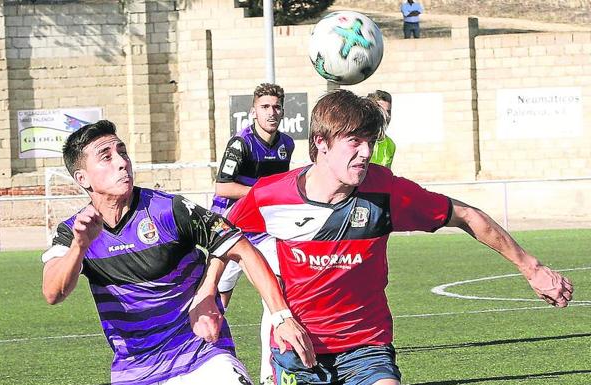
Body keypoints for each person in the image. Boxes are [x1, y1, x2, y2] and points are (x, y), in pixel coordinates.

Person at [225, 90, 573, 385]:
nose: (366, 152)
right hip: (297, 348)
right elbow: (224, 240)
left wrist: (532, 267)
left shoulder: (386, 191)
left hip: (366, 347)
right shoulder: (272, 195)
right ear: (321, 143)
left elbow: (466, 215)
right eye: (354, 142)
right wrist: (210, 296)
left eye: (370, 142)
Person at [40, 120, 315, 385]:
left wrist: (280, 317)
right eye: (107, 157)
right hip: (135, 369)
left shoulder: (168, 209)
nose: (122, 162)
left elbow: (238, 244)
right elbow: (53, 293)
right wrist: (80, 246)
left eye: (122, 152)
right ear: (82, 178)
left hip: (202, 355)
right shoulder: (73, 231)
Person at [211, 83, 294, 385]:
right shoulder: (240, 143)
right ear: (253, 111)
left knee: (276, 295)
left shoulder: (286, 144)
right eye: (265, 107)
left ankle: (270, 374)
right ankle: (205, 364)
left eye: (276, 107)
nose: (271, 112)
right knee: (217, 302)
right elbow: (222, 187)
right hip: (228, 230)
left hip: (262, 231)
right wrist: (264, 195)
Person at [367, 90, 396, 168]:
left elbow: (387, 176)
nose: (387, 116)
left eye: (388, 112)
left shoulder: (390, 144)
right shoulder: (358, 140)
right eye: (382, 111)